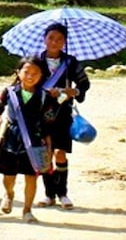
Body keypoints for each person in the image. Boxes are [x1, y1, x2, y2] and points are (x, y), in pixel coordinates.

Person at [35, 22, 91, 209]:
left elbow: (84, 84)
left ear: (65, 42)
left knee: (60, 153)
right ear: (44, 39)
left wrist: (71, 91)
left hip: (62, 113)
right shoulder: (35, 61)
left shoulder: (70, 62)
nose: (54, 42)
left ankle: (63, 193)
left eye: (59, 39)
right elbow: (24, 82)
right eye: (51, 38)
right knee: (45, 154)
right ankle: (49, 194)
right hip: (40, 114)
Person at [0, 55, 50, 223]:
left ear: (41, 75)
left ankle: (27, 210)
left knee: (31, 176)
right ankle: (9, 193)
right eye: (26, 72)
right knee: (9, 175)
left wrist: (49, 147)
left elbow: (49, 121)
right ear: (18, 72)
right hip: (11, 138)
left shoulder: (45, 96)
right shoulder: (9, 92)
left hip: (35, 141)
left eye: (35, 73)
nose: (30, 76)